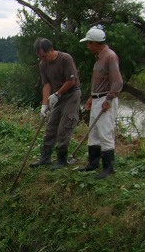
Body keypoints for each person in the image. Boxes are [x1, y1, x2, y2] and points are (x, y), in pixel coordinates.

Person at [29, 38, 82, 170]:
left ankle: (61, 159)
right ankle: (45, 158)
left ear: (51, 50)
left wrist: (57, 94)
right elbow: (46, 85)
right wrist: (45, 104)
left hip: (71, 95)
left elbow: (71, 81)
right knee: (51, 127)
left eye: (45, 56)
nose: (43, 59)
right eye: (40, 57)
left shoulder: (65, 59)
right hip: (57, 97)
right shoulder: (43, 64)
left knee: (64, 127)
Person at [78, 26, 124, 179]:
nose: (87, 46)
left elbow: (117, 82)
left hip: (106, 99)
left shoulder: (110, 56)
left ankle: (108, 168)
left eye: (89, 43)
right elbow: (98, 81)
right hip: (97, 98)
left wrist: (109, 99)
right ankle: (93, 163)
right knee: (94, 131)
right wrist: (91, 97)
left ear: (95, 43)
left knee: (105, 132)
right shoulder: (98, 57)